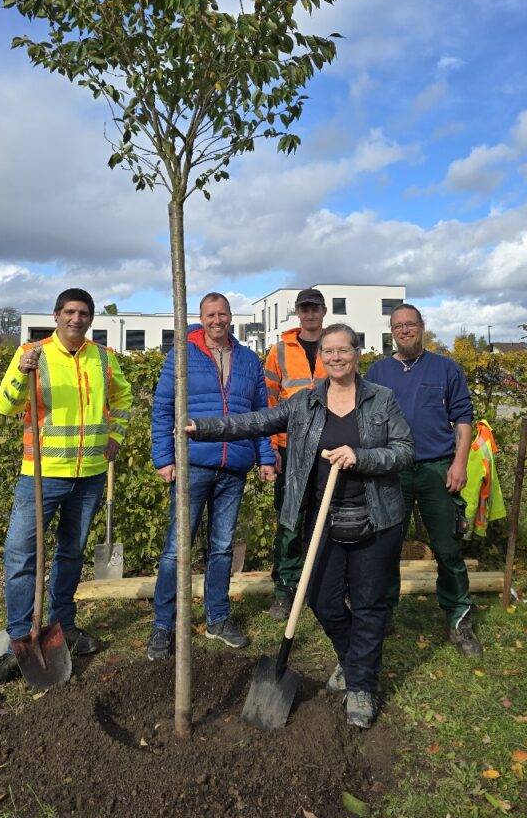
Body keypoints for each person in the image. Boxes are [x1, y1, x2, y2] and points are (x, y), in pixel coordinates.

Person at [187, 324, 414, 729]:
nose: (336, 357)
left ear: (357, 353)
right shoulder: (304, 403)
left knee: (368, 605)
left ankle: (361, 685)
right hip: (322, 518)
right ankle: (353, 658)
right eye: (328, 351)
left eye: (343, 350)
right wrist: (202, 428)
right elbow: (256, 421)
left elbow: (403, 451)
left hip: (375, 517)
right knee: (321, 602)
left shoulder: (383, 400)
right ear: (321, 357)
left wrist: (360, 456)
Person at [0, 288, 132, 685]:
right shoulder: (33, 353)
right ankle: (19, 640)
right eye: (69, 312)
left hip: (90, 473)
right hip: (41, 474)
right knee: (20, 555)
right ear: (56, 315)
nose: (76, 319)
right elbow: (5, 405)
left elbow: (124, 398)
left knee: (71, 553)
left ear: (91, 319)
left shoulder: (104, 358)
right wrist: (21, 374)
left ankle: (63, 625)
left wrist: (115, 435)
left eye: (83, 313)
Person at [148, 292, 277, 660]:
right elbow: (163, 409)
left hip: (233, 466)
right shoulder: (182, 356)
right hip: (193, 463)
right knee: (176, 549)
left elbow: (260, 416)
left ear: (231, 316)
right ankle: (163, 625)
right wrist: (163, 458)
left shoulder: (249, 361)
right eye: (210, 314)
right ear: (200, 318)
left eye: (222, 314)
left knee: (222, 548)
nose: (217, 320)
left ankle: (217, 619)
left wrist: (265, 456)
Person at [364, 303, 482, 656]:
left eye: (410, 324)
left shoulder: (446, 369)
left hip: (436, 469)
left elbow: (463, 418)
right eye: (397, 326)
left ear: (422, 327)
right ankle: (382, 614)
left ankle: (459, 618)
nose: (404, 330)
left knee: (447, 547)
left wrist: (459, 463)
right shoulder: (378, 372)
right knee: (385, 546)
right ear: (391, 331)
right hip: (392, 471)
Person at [264, 288, 327, 620]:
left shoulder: (336, 346)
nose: (310, 314)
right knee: (290, 518)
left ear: (324, 311)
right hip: (291, 448)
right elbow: (270, 402)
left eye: (315, 308)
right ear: (298, 313)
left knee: (326, 517)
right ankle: (285, 588)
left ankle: (321, 583)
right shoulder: (280, 351)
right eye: (305, 309)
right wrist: (272, 446)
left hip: (329, 448)